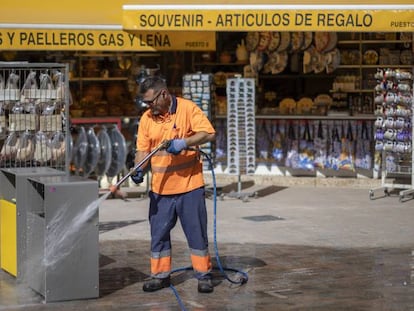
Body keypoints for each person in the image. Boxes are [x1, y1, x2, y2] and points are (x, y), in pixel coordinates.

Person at [131, 76, 216, 294]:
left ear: (164, 94)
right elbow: (143, 148)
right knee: (158, 235)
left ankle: (204, 275)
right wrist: (138, 167)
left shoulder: (188, 109)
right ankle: (160, 276)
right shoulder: (147, 118)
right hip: (160, 190)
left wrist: (184, 142)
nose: (149, 107)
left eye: (151, 102)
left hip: (190, 187)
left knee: (196, 234)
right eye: (146, 103)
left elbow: (208, 133)